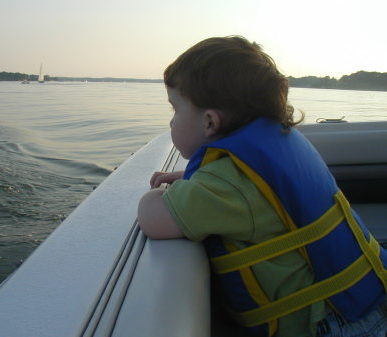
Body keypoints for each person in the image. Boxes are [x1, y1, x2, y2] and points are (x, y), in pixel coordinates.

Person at [137, 36, 387, 337]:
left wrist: (153, 193)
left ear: (210, 122)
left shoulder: (227, 184)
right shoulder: (274, 145)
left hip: (331, 327)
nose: (171, 123)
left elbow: (155, 219)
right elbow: (248, 189)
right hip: (364, 305)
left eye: (175, 110)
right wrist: (194, 179)